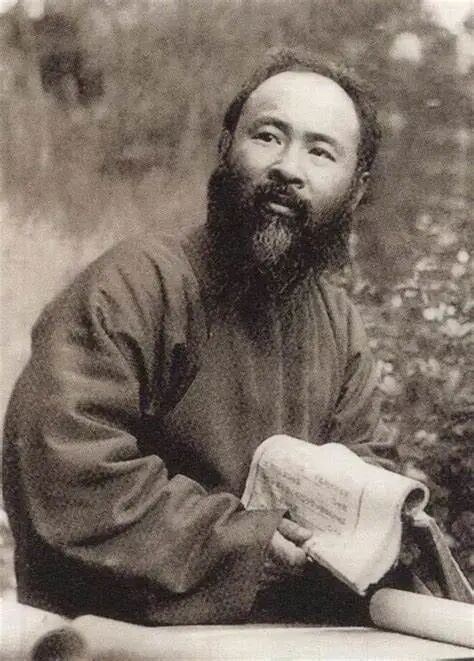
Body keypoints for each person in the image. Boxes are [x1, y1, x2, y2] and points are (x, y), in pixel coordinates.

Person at [3, 48, 397, 626]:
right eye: (268, 136)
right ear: (225, 147)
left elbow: (368, 475)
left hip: (281, 639)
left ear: (356, 189)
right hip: (114, 635)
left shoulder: (340, 327)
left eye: (320, 151)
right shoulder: (132, 286)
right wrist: (247, 544)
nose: (287, 168)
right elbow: (64, 471)